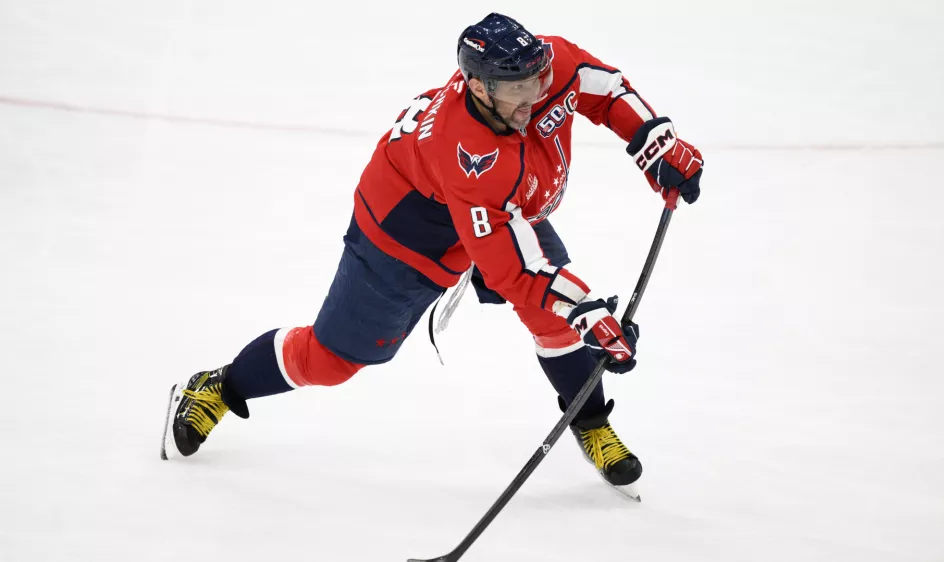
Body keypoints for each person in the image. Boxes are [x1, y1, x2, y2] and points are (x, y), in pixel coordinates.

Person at [160, 13, 704, 494]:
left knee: (554, 315)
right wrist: (586, 310)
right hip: (406, 230)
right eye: (517, 90)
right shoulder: (469, 152)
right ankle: (220, 386)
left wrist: (653, 140)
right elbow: (513, 270)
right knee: (332, 359)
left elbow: (603, 88)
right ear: (478, 87)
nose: (533, 97)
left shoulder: (539, 67)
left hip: (502, 206)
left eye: (537, 81)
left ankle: (590, 421)